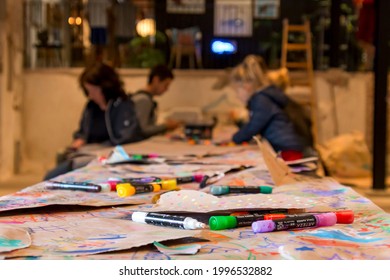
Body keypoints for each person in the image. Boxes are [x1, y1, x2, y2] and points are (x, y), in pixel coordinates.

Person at [44, 62, 144, 180]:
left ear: (106, 86)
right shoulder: (91, 106)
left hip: (109, 155)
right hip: (90, 152)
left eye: (93, 90)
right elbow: (82, 131)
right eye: (88, 91)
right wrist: (80, 139)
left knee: (52, 176)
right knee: (61, 158)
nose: (90, 95)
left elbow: (125, 139)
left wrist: (97, 148)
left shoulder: (123, 105)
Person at [228, 55, 312, 161]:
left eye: (237, 91)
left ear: (246, 86)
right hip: (290, 147)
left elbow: (254, 126)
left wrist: (234, 138)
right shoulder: (266, 95)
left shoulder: (261, 99)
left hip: (289, 150)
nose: (236, 95)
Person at [131, 64, 181, 138]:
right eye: (166, 85)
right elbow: (143, 130)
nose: (167, 89)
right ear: (156, 80)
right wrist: (166, 126)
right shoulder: (143, 100)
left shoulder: (143, 97)